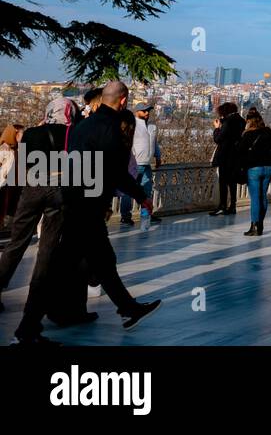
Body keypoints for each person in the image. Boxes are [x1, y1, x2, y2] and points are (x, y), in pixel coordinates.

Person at [59, 80, 161, 330]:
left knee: (99, 262)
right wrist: (141, 195)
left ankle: (128, 309)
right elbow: (116, 171)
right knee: (67, 265)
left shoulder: (83, 126)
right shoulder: (111, 127)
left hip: (74, 199)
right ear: (124, 100)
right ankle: (29, 326)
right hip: (89, 205)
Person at [0, 106, 73, 344]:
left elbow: (23, 163)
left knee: (15, 244)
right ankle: (31, 320)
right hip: (58, 188)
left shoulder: (31, 134)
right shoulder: (70, 134)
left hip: (32, 188)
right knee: (46, 255)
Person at [236, 109, 271, 236]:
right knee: (263, 196)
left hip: (254, 168)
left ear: (249, 121)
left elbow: (240, 151)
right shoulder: (268, 131)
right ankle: (261, 224)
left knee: (255, 198)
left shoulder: (247, 134)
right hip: (268, 167)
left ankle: (254, 225)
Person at [120, 102, 161, 228]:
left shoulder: (152, 127)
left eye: (148, 110)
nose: (147, 113)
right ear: (137, 112)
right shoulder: (133, 125)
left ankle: (146, 215)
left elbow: (154, 143)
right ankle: (125, 216)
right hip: (134, 164)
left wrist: (158, 156)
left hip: (147, 164)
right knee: (128, 191)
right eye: (144, 111)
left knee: (147, 190)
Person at [210, 101, 245, 216]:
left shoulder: (228, 122)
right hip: (237, 155)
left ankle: (223, 205)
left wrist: (217, 128)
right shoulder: (241, 121)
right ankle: (233, 205)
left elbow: (218, 139)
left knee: (223, 181)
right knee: (232, 181)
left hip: (225, 155)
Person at [0, 125, 19, 230]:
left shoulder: (15, 149)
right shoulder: (3, 149)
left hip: (14, 183)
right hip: (3, 183)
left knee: (10, 206)